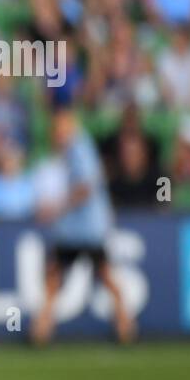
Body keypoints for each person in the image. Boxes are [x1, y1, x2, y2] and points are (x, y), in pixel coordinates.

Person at [31, 108, 136, 345]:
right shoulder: (77, 149)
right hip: (80, 228)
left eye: (58, 130)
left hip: (84, 229)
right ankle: (124, 326)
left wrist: (59, 208)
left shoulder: (79, 149)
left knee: (76, 275)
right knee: (65, 275)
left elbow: (85, 188)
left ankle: (124, 325)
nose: (55, 135)